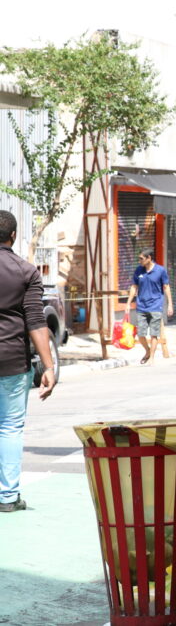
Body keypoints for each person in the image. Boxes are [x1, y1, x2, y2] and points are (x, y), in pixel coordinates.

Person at [0, 210, 56, 513]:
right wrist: (49, 366)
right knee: (9, 427)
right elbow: (36, 321)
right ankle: (8, 497)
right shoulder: (26, 271)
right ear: (12, 237)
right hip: (11, 361)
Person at [126, 247, 173, 366]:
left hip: (156, 306)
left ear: (149, 258)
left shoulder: (160, 271)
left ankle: (152, 357)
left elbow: (166, 287)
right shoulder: (139, 271)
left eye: (141, 259)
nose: (139, 261)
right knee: (140, 334)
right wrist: (128, 303)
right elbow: (134, 287)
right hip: (141, 306)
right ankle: (147, 351)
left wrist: (170, 305)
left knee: (154, 333)